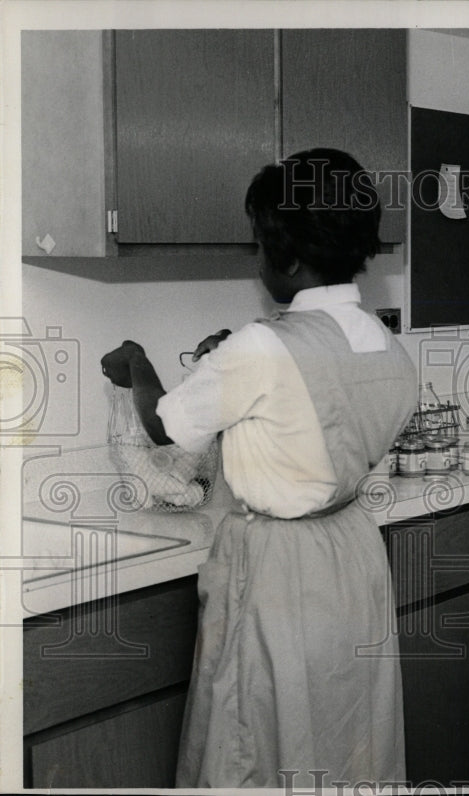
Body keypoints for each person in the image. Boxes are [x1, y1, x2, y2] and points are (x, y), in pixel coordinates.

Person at [100, 149, 416, 786]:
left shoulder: (263, 345)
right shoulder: (386, 343)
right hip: (353, 551)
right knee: (348, 733)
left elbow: (164, 422)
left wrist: (134, 363)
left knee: (259, 738)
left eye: (260, 246)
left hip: (281, 566)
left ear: (289, 258)